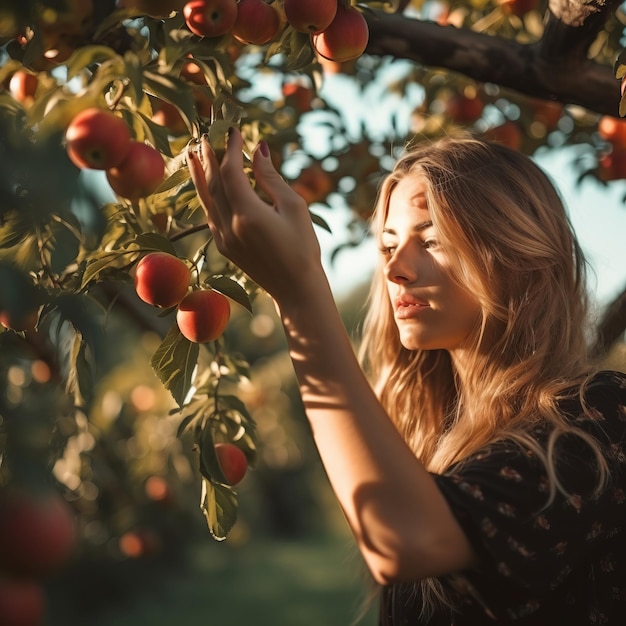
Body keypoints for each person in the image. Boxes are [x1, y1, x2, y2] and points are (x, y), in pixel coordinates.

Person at [187, 128, 626, 625]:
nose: (395, 269)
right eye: (388, 244)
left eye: (432, 239)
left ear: (519, 254)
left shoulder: (601, 419)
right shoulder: (432, 441)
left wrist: (299, 294)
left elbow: (404, 541)